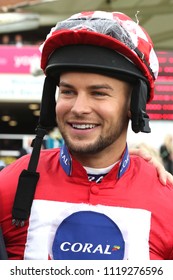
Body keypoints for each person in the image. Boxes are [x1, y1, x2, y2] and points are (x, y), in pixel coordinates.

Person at [0, 11, 173, 260]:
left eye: (99, 93)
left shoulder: (165, 199)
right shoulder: (10, 184)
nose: (79, 108)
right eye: (68, 92)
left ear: (133, 106)